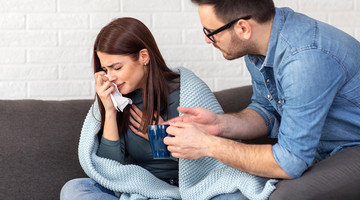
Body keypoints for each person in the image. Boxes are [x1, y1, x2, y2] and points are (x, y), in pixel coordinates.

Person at [164, 0, 360, 199]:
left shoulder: (304, 60)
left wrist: (208, 145)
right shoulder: (260, 43)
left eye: (211, 31)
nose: (207, 40)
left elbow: (290, 163)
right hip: (316, 139)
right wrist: (218, 125)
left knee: (280, 196)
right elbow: (267, 110)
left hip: (352, 144)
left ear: (243, 28)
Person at [60, 17, 277, 200]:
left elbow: (212, 160)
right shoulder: (117, 99)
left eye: (117, 67)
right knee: (75, 189)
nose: (111, 76)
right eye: (106, 68)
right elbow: (111, 171)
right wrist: (108, 111)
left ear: (144, 57)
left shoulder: (186, 90)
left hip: (196, 187)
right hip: (144, 187)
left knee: (234, 194)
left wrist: (161, 138)